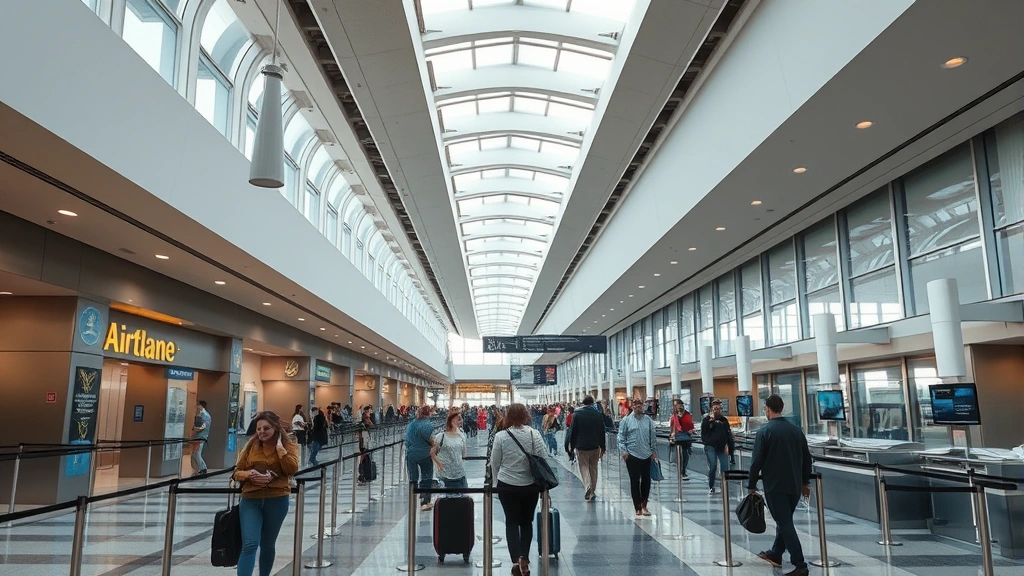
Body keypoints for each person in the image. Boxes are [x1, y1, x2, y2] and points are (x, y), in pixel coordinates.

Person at [747, 394, 813, 576]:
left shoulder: (765, 432)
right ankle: (776, 553)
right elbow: (807, 459)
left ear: (768, 409)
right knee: (785, 521)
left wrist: (751, 484)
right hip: (794, 485)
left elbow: (756, 462)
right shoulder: (796, 431)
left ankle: (800, 564)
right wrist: (805, 481)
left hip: (775, 486)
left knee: (784, 523)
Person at [232, 411, 300, 576]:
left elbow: (292, 469)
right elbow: (237, 472)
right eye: (259, 428)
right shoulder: (251, 445)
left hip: (277, 499)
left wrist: (280, 450)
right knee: (250, 544)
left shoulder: (288, 445)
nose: (262, 431)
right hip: (251, 499)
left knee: (268, 544)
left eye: (266, 428)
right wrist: (249, 474)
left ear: (275, 428)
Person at [490, 403, 546, 576]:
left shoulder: (501, 436)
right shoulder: (534, 434)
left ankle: (515, 560)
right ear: (526, 415)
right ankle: (524, 559)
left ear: (508, 416)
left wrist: (495, 483)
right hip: (530, 485)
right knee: (526, 522)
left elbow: (494, 462)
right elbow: (543, 457)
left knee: (511, 522)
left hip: (507, 485)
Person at [617, 398, 658, 518]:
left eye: (641, 404)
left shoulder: (648, 420)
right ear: (632, 406)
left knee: (646, 481)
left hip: (646, 454)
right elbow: (621, 437)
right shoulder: (626, 421)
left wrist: (653, 451)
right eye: (636, 404)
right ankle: (637, 507)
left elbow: (652, 436)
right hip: (632, 455)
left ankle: (644, 505)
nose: (639, 406)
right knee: (634, 481)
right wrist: (624, 451)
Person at [568, 396, 606, 501]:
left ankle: (588, 486)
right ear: (592, 403)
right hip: (595, 446)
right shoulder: (597, 414)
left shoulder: (577, 414)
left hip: (581, 446)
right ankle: (592, 491)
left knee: (584, 466)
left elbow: (573, 431)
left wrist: (572, 445)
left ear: (583, 403)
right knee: (593, 468)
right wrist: (603, 446)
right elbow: (601, 431)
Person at [700, 399, 735, 495]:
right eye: (715, 408)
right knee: (713, 466)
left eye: (719, 408)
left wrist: (728, 445)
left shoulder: (724, 420)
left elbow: (728, 433)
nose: (717, 410)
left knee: (725, 467)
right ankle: (711, 486)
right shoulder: (706, 420)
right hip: (710, 446)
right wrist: (710, 422)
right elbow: (703, 433)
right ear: (711, 409)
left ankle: (723, 485)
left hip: (722, 446)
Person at [405, 405, 437, 510]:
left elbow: (407, 440)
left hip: (411, 454)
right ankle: (425, 501)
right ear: (428, 413)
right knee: (427, 477)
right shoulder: (427, 424)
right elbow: (431, 440)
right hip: (424, 454)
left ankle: (412, 500)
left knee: (413, 478)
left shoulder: (411, 424)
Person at [431, 409, 468, 492]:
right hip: (445, 476)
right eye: (458, 419)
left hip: (460, 475)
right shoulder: (441, 436)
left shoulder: (462, 436)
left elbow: (464, 455)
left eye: (461, 419)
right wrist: (439, 464)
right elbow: (432, 453)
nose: (461, 421)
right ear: (451, 421)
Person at [669, 401, 695, 481]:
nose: (679, 407)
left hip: (686, 438)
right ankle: (681, 471)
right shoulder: (674, 417)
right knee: (680, 455)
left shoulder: (687, 415)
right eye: (678, 406)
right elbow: (672, 428)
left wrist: (691, 431)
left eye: (681, 406)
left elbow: (691, 427)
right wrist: (671, 435)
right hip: (677, 438)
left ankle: (683, 471)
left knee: (685, 455)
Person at [191, 400, 211, 476]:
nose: (197, 407)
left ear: (200, 406)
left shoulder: (204, 415)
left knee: (196, 453)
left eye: (198, 405)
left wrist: (195, 428)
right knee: (195, 453)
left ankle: (203, 468)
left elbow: (201, 426)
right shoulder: (202, 414)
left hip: (200, 437)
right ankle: (201, 468)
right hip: (199, 437)